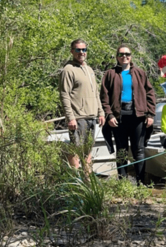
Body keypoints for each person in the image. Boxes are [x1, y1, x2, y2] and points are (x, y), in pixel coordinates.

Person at [100, 44, 156, 185]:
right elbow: (104, 97)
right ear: (117, 57)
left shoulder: (139, 73)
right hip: (118, 118)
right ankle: (123, 183)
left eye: (127, 54)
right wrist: (109, 115)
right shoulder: (110, 74)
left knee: (139, 149)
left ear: (131, 56)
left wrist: (150, 114)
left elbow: (150, 93)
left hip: (138, 116)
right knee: (122, 151)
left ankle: (141, 183)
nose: (124, 57)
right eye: (121, 54)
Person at [59, 39, 105, 169]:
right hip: (78, 118)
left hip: (91, 117)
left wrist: (100, 112)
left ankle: (87, 181)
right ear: (72, 51)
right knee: (76, 150)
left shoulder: (89, 69)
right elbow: (64, 95)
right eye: (78, 50)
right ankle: (75, 178)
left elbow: (96, 93)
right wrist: (70, 117)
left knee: (88, 151)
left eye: (84, 50)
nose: (81, 52)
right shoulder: (68, 70)